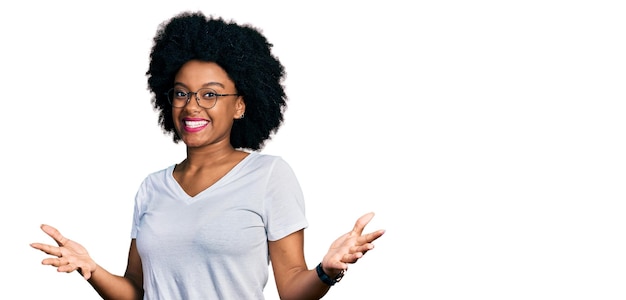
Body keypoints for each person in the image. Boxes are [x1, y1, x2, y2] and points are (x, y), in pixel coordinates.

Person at [30, 11, 385, 300]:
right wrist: (91, 270)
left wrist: (327, 270)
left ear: (241, 106)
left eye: (210, 94)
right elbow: (136, 290)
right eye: (182, 93)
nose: (192, 106)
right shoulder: (152, 188)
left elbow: (291, 286)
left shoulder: (268, 176)